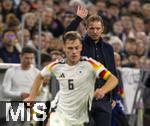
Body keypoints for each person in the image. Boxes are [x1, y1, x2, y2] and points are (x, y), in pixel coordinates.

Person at [24, 31, 118, 126]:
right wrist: (32, 96)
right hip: (60, 109)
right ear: (64, 48)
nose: (74, 52)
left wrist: (103, 90)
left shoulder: (91, 64)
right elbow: (40, 76)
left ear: (81, 47)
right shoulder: (57, 65)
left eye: (76, 48)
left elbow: (113, 79)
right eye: (70, 48)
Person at [65, 6, 119, 126]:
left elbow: (112, 72)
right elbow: (67, 36)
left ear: (102, 29)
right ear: (86, 29)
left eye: (98, 28)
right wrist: (78, 19)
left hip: (104, 99)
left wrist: (114, 97)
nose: (95, 31)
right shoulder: (78, 45)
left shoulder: (108, 48)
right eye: (92, 28)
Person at [2, 46, 39, 126]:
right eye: (26, 58)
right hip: (16, 106)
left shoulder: (37, 73)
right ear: (20, 57)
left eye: (31, 58)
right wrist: (20, 94)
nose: (29, 61)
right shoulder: (11, 71)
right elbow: (4, 92)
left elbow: (41, 93)